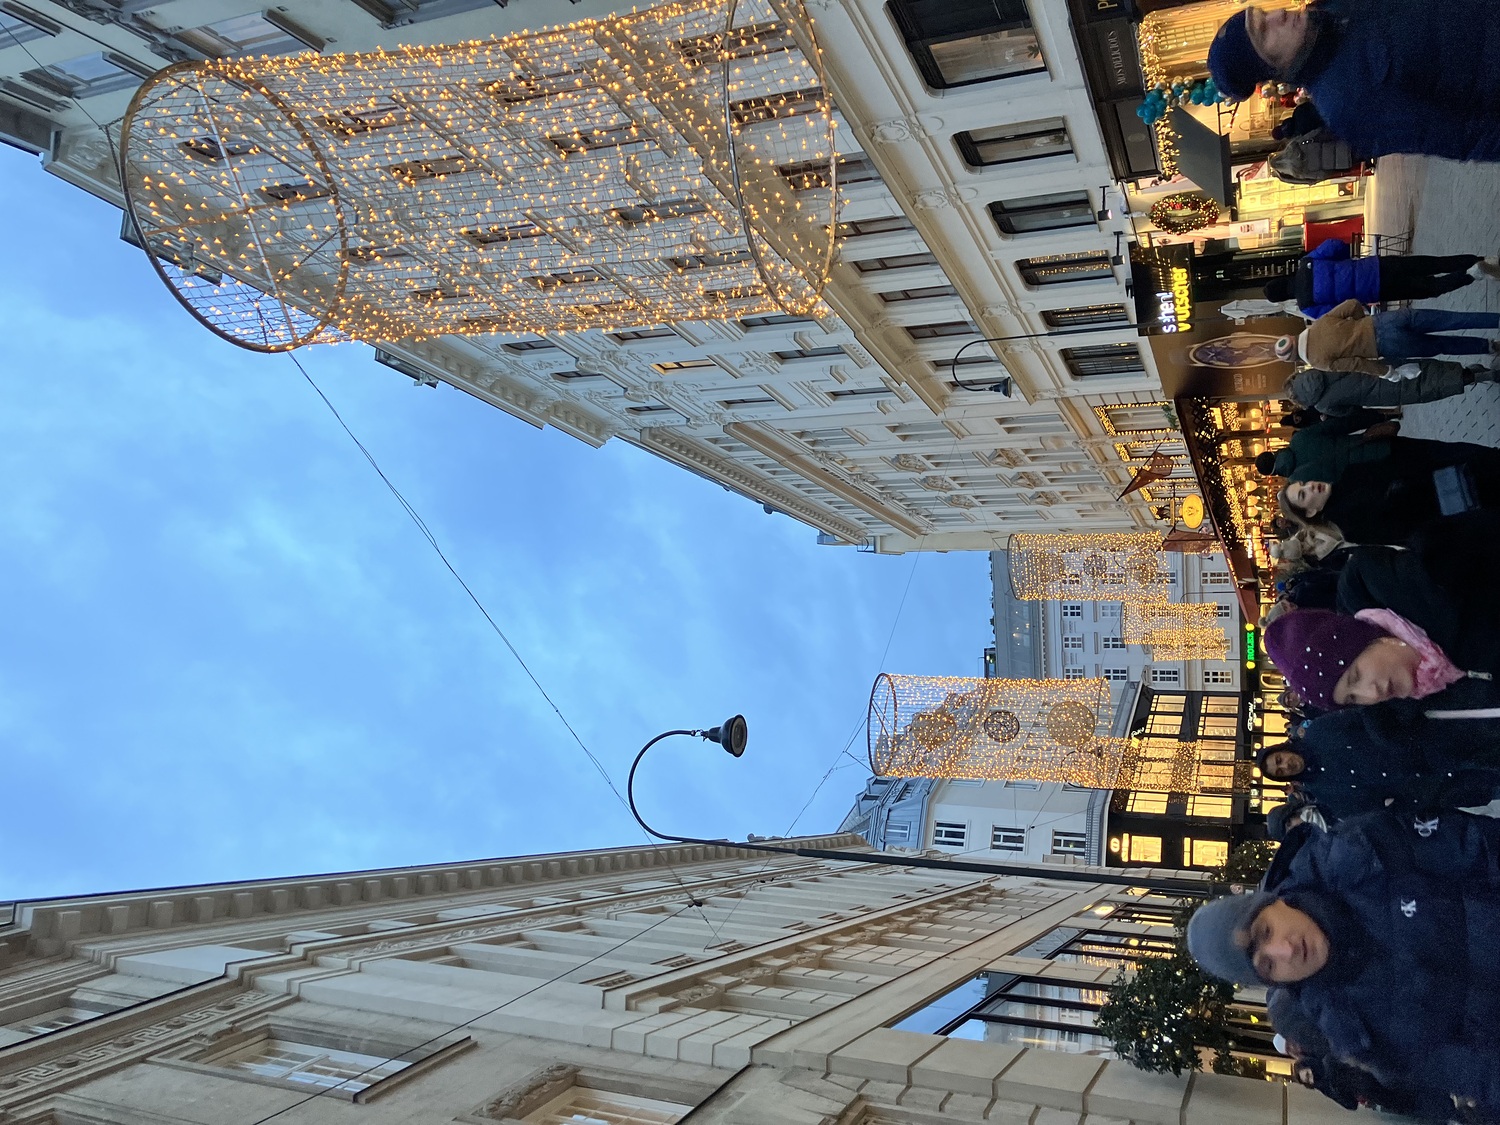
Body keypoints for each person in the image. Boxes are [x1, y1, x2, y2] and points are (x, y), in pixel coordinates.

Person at [1186, 806, 1500, 1123]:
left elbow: (1482, 847)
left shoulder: (1362, 848)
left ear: (1274, 901)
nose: (1286, 950)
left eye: (1266, 931)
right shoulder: (1355, 1032)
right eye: (1268, 965)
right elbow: (1479, 1073)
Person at [1206, 1, 1500, 163]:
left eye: (1263, 13)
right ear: (1268, 66)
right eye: (1264, 31)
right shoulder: (1348, 106)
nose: (1278, 14)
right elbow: (1468, 137)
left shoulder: (1335, 9)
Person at [1264, 605, 1498, 712]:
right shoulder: (1432, 713)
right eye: (1353, 698)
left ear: (1371, 639)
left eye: (1356, 676)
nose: (1372, 694)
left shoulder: (1444, 598)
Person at [1263, 241, 1499, 320]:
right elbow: (1336, 245)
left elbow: (1342, 312)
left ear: (1284, 298)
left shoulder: (1307, 306)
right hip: (1375, 266)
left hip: (1377, 290)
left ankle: (1471, 274)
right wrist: (1346, 264)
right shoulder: (1307, 262)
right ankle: (1481, 260)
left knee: (1430, 288)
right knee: (1431, 264)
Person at [1276, 301, 1500, 373]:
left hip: (1387, 345)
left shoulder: (1318, 361)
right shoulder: (1318, 324)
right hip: (1385, 320)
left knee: (1442, 344)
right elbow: (1352, 304)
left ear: (1295, 358)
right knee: (1453, 319)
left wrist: (1386, 372)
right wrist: (1362, 322)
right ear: (1293, 338)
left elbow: (1356, 364)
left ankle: (1490, 346)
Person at [1287, 358, 1494, 417]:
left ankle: (1475, 376)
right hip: (1381, 368)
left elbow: (1349, 411)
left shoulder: (1322, 405)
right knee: (1425, 369)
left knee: (1426, 389)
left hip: (1381, 395)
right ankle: (1469, 372)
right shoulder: (1322, 367)